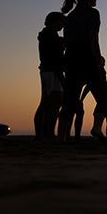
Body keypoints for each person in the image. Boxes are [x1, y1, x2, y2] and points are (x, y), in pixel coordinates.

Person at [57, 0, 107, 141]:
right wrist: (99, 61)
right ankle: (96, 127)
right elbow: (93, 39)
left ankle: (60, 137)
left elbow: (67, 42)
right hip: (87, 58)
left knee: (69, 100)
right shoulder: (93, 13)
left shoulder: (69, 17)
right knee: (104, 98)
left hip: (71, 59)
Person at [34, 11, 66, 141]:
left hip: (50, 70)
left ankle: (45, 134)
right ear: (54, 21)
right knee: (49, 103)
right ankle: (44, 134)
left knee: (51, 103)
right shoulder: (50, 36)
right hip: (51, 71)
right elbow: (55, 58)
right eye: (61, 22)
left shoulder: (49, 35)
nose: (63, 25)